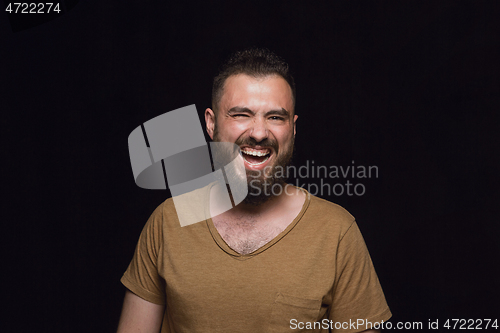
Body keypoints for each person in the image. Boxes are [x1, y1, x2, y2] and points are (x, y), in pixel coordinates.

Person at [116, 48, 391, 333]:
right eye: (241, 114)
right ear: (211, 124)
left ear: (293, 129)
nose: (259, 133)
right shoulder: (168, 222)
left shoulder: (336, 232)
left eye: (275, 117)